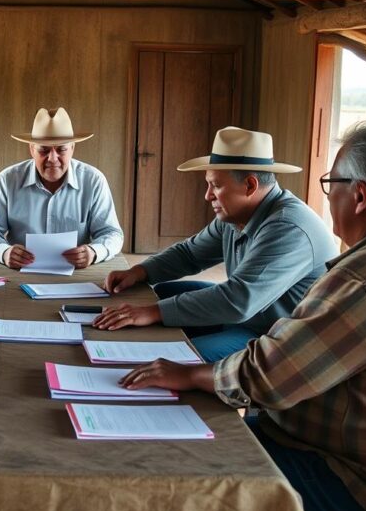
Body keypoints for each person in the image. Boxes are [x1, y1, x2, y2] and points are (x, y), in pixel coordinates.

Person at [119, 121, 366, 511]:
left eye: (332, 185)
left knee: (176, 466)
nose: (328, 198)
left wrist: (191, 374)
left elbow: (267, 376)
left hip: (354, 485)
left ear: (360, 196)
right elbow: (194, 255)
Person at [94, 126, 337, 362]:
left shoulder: (288, 227)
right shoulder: (236, 216)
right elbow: (189, 254)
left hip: (272, 337)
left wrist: (152, 313)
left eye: (216, 185)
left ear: (250, 186)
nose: (208, 195)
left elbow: (239, 299)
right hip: (246, 316)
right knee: (161, 292)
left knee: (178, 358)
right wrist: (138, 272)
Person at [0, 107, 123, 269]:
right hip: (18, 273)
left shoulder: (94, 181)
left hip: (77, 276)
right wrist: (3, 252)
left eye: (61, 149)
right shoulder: (8, 180)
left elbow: (111, 233)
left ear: (72, 148)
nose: (52, 158)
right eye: (43, 149)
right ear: (32, 149)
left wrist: (94, 252)